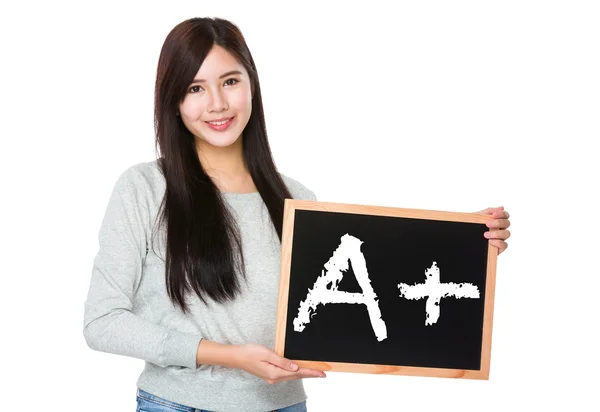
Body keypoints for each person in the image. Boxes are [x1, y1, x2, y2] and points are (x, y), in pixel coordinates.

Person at [83, 17, 511, 412]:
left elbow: (367, 291)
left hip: (284, 406)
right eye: (195, 88)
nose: (216, 103)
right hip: (179, 406)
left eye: (230, 81)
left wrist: (461, 243)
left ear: (251, 85)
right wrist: (229, 357)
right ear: (173, 100)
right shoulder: (144, 189)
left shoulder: (298, 200)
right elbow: (102, 323)